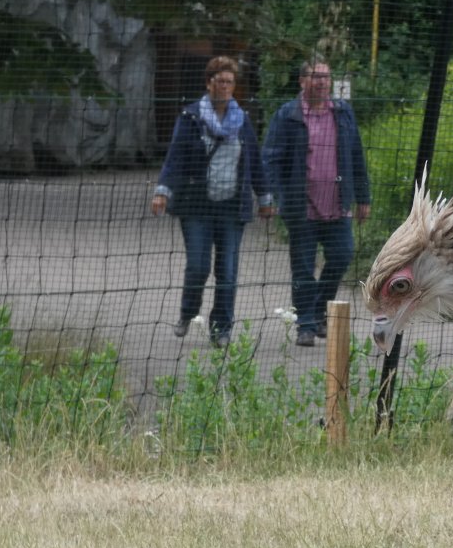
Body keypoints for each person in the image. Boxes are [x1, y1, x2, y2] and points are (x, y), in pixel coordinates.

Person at [151, 56, 274, 348]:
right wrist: (162, 192)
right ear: (209, 83)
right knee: (197, 265)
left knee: (228, 270)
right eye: (220, 81)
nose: (226, 86)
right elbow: (175, 158)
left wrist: (265, 197)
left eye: (230, 82)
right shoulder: (191, 117)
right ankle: (188, 311)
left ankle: (221, 327)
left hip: (232, 206)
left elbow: (255, 161)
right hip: (196, 205)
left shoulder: (242, 120)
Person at [262, 56, 371, 347]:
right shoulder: (288, 115)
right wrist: (271, 195)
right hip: (301, 208)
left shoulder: (343, 113)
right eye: (316, 77)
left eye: (326, 77)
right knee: (303, 268)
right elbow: (271, 157)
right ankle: (305, 325)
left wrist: (363, 197)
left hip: (338, 205)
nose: (322, 82)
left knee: (342, 255)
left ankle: (321, 308)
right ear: (302, 81)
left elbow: (356, 155)